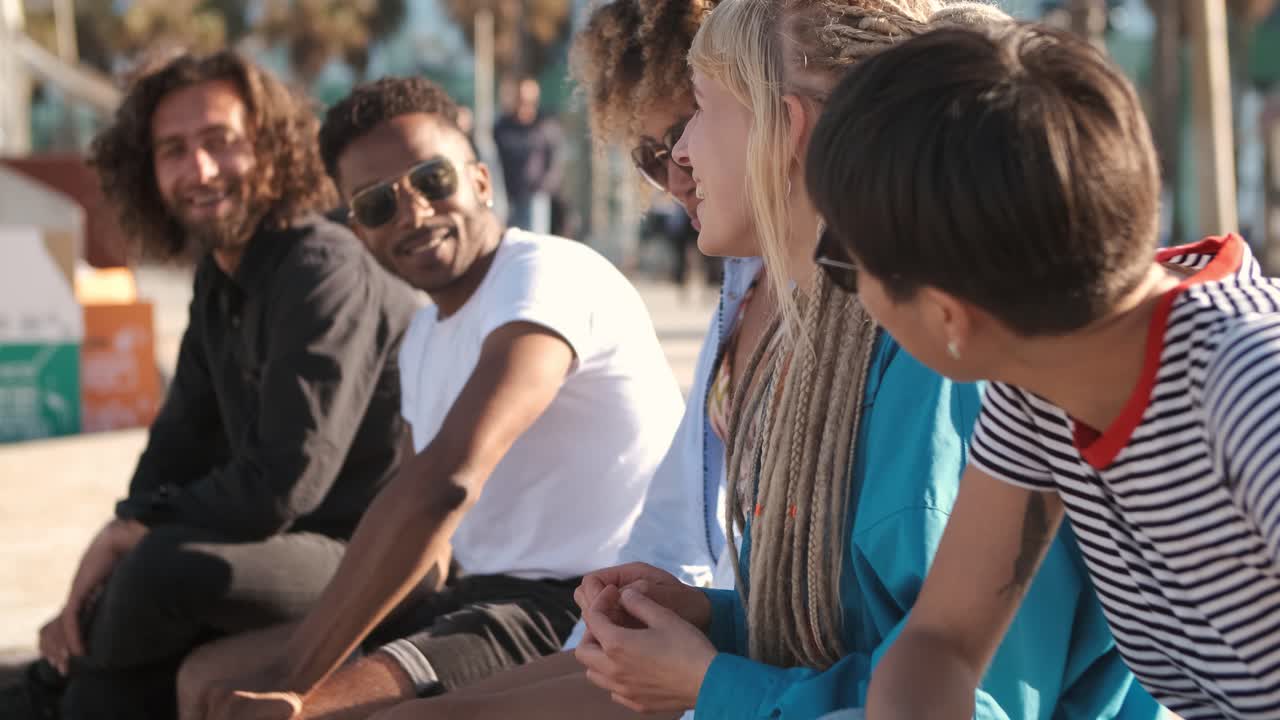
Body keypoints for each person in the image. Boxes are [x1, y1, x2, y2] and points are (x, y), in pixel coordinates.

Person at [569, 1, 1167, 718]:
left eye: (695, 112)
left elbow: (980, 699)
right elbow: (886, 635)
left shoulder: (947, 364)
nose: (681, 158)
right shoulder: (826, 341)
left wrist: (714, 684)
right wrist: (714, 622)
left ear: (787, 128)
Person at [803, 21, 1279, 720]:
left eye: (846, 265)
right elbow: (943, 641)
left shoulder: (1250, 385)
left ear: (948, 317)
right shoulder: (1042, 387)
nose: (846, 285)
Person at [182, 75, 684, 720]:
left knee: (306, 711)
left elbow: (444, 483)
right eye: (376, 206)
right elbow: (432, 551)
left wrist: (296, 678)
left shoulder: (546, 276)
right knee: (206, 676)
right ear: (359, 231)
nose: (414, 212)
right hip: (481, 597)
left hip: (584, 601)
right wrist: (334, 636)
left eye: (432, 180)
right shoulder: (424, 333)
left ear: (478, 180)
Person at [0, 50, 419, 720]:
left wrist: (136, 534)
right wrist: (127, 521)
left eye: (221, 142)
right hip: (284, 542)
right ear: (146, 170)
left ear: (272, 147)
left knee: (165, 565)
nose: (198, 170)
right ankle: (60, 692)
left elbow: (287, 477)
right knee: (148, 569)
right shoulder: (221, 275)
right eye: (173, 150)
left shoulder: (320, 266)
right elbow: (179, 437)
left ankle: (55, 694)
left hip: (370, 556)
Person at [492, 77, 563, 235]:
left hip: (536, 196)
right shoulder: (503, 126)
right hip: (508, 197)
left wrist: (544, 186)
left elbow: (555, 161)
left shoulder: (545, 125)